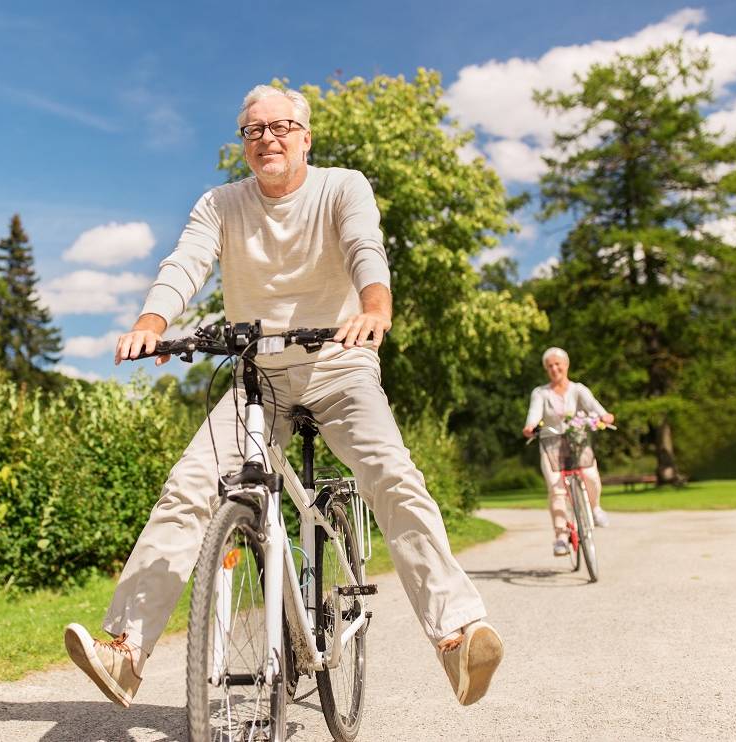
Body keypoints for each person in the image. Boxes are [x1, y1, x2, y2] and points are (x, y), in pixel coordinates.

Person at [63, 84, 503, 711]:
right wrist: (153, 324)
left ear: (305, 136)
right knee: (189, 487)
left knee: (393, 476)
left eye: (281, 126)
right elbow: (184, 264)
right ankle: (126, 653)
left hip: (340, 363)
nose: (267, 137)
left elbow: (363, 247)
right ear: (243, 143)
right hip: (258, 375)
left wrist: (375, 308)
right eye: (253, 130)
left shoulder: (342, 186)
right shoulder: (221, 203)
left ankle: (457, 636)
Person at [521, 347, 615, 557]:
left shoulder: (578, 389)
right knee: (557, 489)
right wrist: (530, 426)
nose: (554, 369)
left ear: (566, 365)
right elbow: (534, 414)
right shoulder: (541, 393)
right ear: (547, 370)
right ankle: (562, 536)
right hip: (551, 445)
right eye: (550, 366)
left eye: (558, 364)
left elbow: (595, 408)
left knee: (590, 475)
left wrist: (605, 416)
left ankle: (595, 508)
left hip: (577, 442)